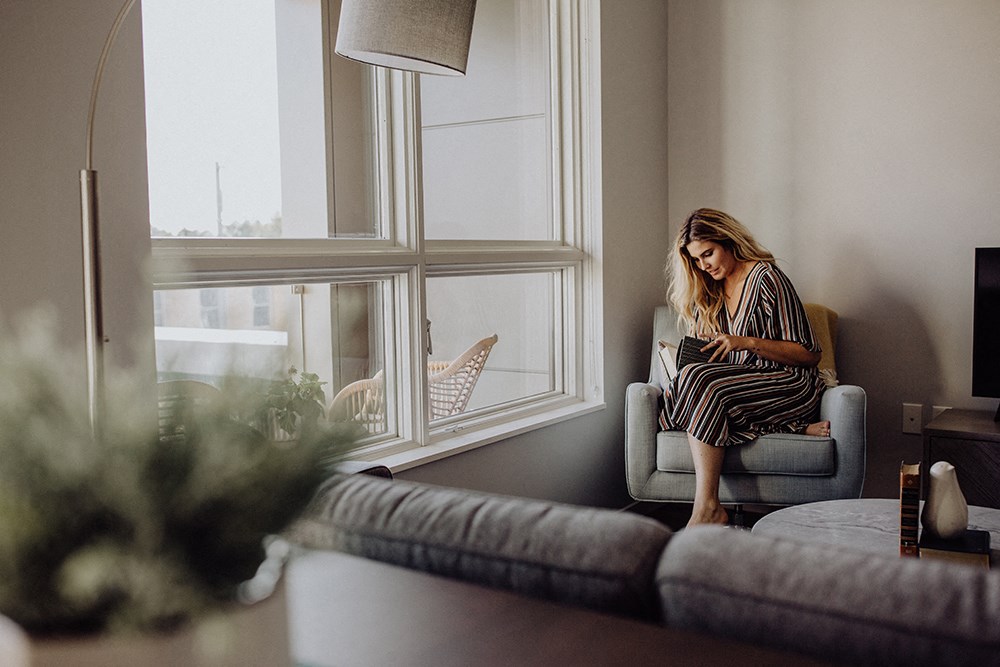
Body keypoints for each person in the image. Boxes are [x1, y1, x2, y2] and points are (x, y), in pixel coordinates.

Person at [660, 208, 830, 527]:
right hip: (742, 390)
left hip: (788, 383)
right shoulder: (709, 291)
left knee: (695, 383)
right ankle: (790, 427)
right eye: (696, 260)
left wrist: (745, 342)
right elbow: (722, 367)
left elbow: (809, 354)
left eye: (708, 254)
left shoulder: (766, 278)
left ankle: (707, 507)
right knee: (686, 381)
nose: (704, 265)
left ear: (727, 241)